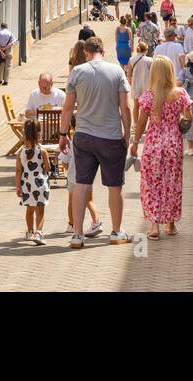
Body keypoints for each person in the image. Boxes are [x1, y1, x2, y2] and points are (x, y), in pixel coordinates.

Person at [59, 36, 132, 248]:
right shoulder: (117, 71)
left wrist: (63, 135)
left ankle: (78, 235)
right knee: (115, 186)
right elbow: (125, 107)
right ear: (103, 51)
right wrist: (127, 134)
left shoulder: (77, 72)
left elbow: (67, 107)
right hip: (110, 136)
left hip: (84, 136)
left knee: (81, 185)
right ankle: (117, 232)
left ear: (87, 53)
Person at [130, 55, 190, 239]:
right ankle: (170, 225)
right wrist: (177, 121)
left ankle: (154, 226)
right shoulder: (180, 94)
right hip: (174, 143)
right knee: (172, 183)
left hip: (154, 143)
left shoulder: (149, 96)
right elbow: (189, 118)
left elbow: (141, 123)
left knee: (152, 183)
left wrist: (134, 142)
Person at [59, 119, 103, 238]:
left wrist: (69, 169)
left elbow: (63, 161)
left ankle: (72, 224)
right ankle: (96, 221)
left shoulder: (70, 143)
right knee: (89, 200)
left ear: (72, 128)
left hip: (74, 178)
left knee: (72, 201)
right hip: (88, 175)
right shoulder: (90, 143)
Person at [16, 119, 50, 245]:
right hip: (41, 184)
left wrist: (18, 186)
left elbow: (18, 171)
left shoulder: (20, 152)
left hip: (27, 185)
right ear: (39, 134)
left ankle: (30, 232)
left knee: (30, 210)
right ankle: (39, 233)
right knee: (40, 211)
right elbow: (47, 168)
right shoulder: (42, 151)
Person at [128, 40, 153, 126]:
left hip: (136, 85)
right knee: (148, 106)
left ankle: (135, 124)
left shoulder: (132, 60)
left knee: (136, 106)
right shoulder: (150, 60)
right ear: (146, 50)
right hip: (147, 86)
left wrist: (131, 84)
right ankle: (147, 125)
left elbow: (128, 75)